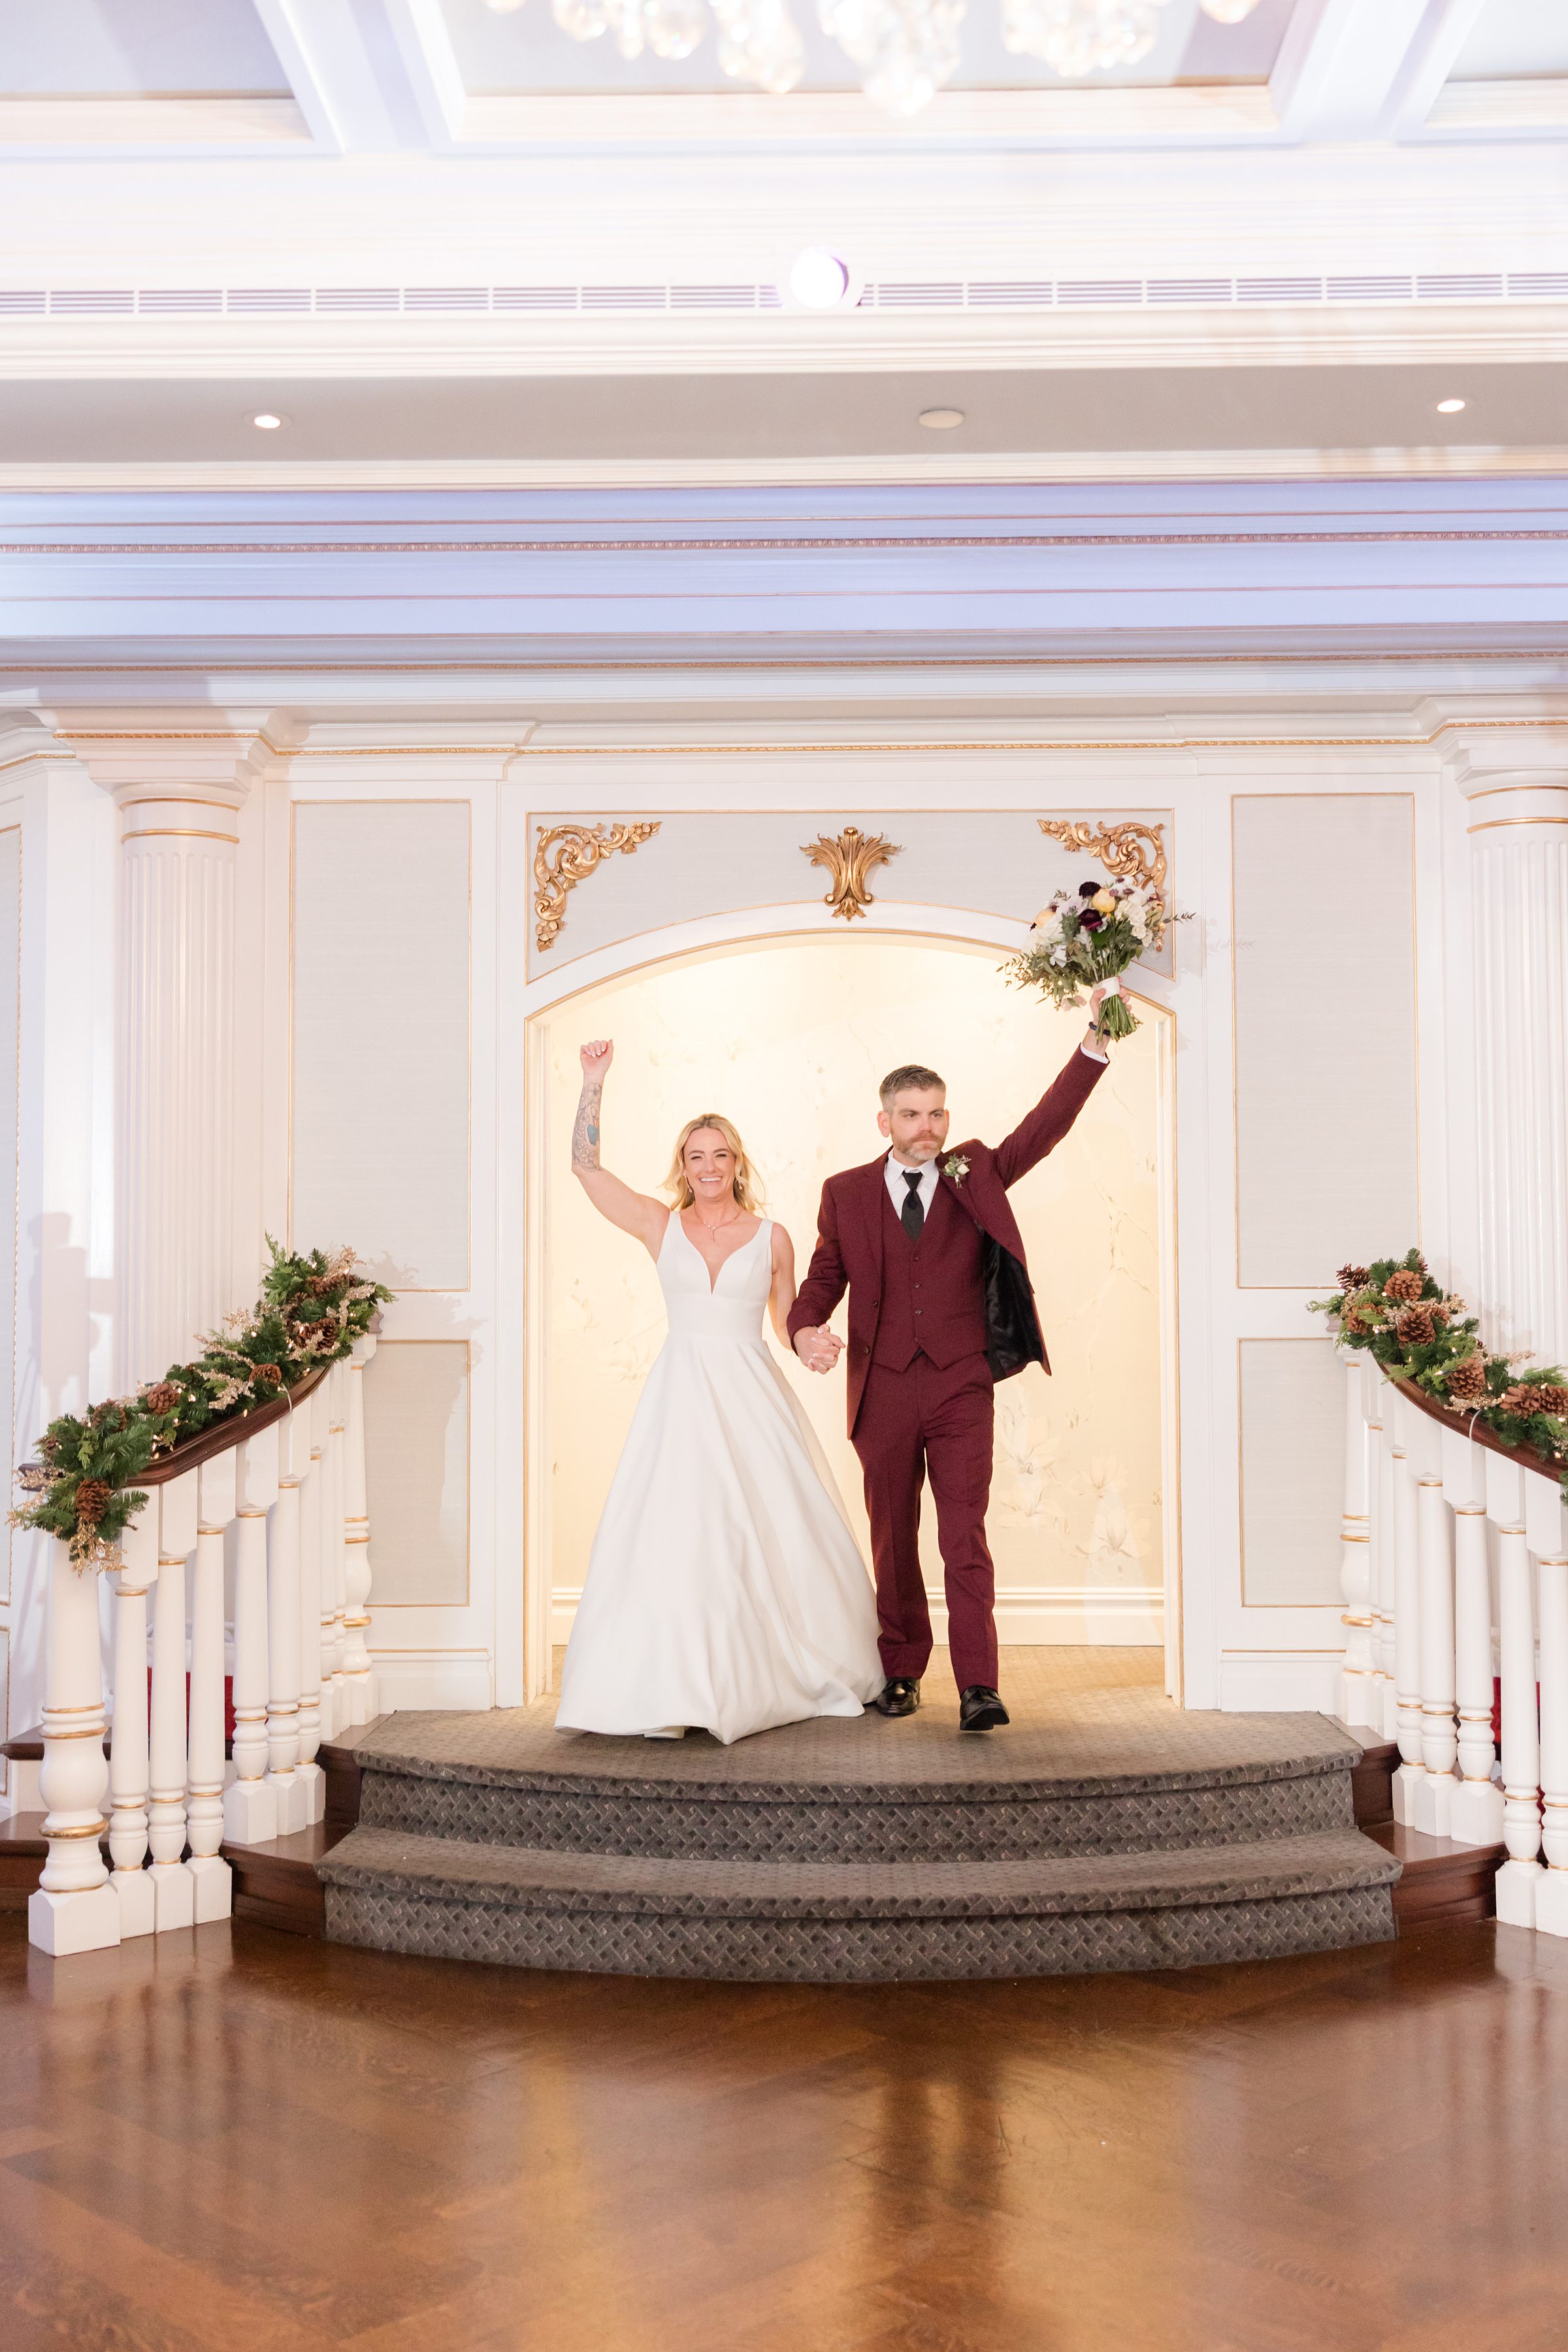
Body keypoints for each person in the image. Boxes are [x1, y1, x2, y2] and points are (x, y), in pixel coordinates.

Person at [787, 991, 1109, 1732]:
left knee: (964, 1536)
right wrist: (805, 1328)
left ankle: (979, 1685)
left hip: (963, 1384)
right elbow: (824, 1276)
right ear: (885, 1121)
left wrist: (1094, 1041)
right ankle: (901, 1669)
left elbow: (1046, 1126)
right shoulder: (847, 1193)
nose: (926, 1128)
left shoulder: (978, 1171)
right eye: (910, 1115)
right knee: (893, 1537)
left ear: (947, 1119)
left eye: (936, 1113)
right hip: (885, 1389)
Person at [555, 1039, 883, 1745]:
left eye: (720, 1155)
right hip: (680, 1397)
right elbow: (584, 1167)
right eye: (696, 1156)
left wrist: (811, 1343)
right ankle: (672, 1686)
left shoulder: (773, 1237)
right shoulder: (658, 1223)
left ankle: (755, 1674)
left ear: (738, 1163)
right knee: (678, 1533)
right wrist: (593, 1080)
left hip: (748, 1395)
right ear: (683, 1166)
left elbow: (786, 1317)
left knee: (757, 1533)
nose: (708, 1167)